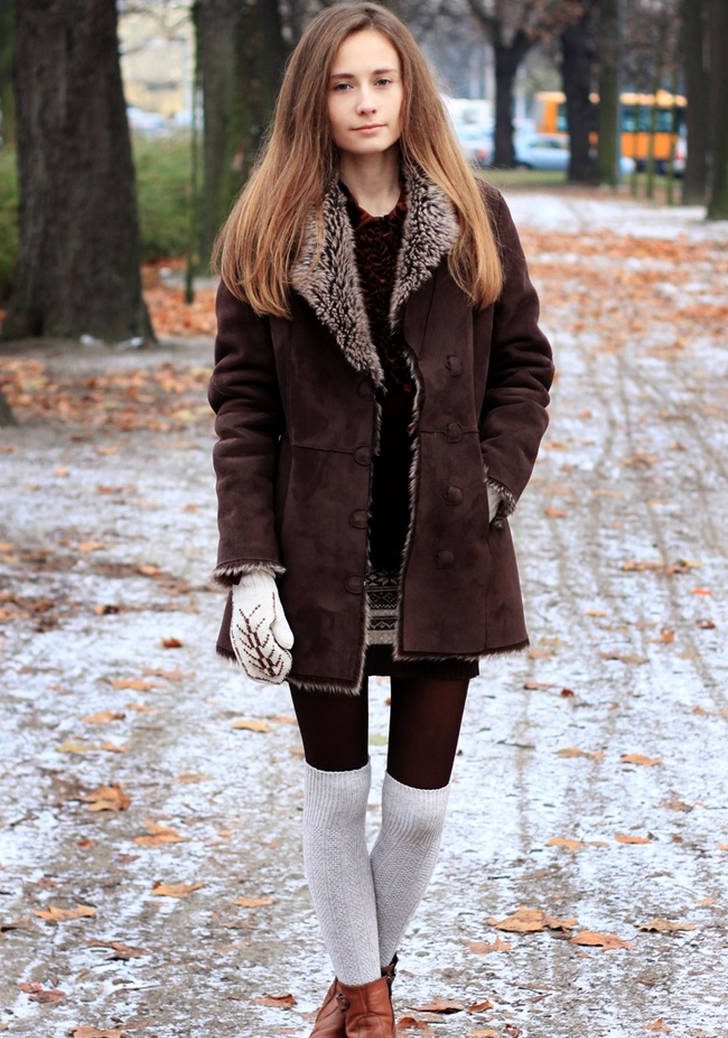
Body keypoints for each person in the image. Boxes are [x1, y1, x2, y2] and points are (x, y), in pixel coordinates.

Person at [207, 3, 554, 1035]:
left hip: (445, 548)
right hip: (318, 557)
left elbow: (524, 366)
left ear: (410, 90)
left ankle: (355, 983)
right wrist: (250, 569)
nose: (365, 102)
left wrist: (491, 479)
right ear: (312, 100)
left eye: (382, 81)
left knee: (418, 809)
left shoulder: (471, 214)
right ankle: (367, 1005)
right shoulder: (268, 230)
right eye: (342, 84)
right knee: (336, 794)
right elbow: (241, 409)